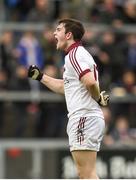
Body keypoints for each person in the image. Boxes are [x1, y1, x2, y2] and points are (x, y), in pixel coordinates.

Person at [28, 18, 109, 179]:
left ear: (68, 35)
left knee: (86, 174)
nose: (54, 33)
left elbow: (90, 81)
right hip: (87, 117)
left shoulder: (74, 54)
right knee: (86, 173)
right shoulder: (78, 54)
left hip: (83, 118)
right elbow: (67, 87)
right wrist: (41, 77)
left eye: (58, 30)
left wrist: (98, 97)